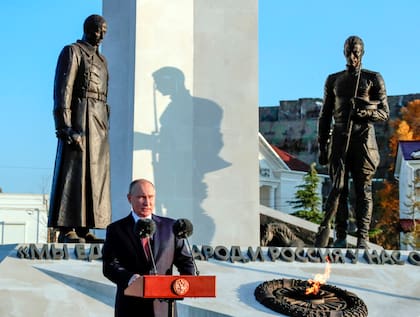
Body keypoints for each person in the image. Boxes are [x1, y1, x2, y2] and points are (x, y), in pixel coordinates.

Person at [315, 36, 389, 249]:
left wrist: (363, 112)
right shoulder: (334, 80)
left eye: (356, 51)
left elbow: (384, 113)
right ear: (344, 52)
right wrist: (322, 145)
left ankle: (363, 238)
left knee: (363, 189)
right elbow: (325, 114)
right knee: (338, 189)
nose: (352, 56)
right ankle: (339, 236)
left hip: (364, 139)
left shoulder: (373, 78)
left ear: (362, 52)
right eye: (349, 51)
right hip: (339, 137)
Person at [48, 14, 111, 243]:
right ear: (87, 29)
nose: (101, 35)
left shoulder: (103, 60)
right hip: (79, 116)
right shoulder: (72, 51)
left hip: (99, 120)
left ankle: (85, 228)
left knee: (95, 175)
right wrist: (64, 126)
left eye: (104, 31)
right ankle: (67, 228)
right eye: (97, 30)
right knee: (74, 173)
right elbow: (63, 89)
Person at [102, 179, 195, 317]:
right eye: (141, 197)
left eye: (150, 197)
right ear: (129, 198)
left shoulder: (170, 227)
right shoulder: (116, 230)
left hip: (164, 309)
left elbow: (186, 261)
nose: (147, 202)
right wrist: (130, 278)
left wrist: (187, 283)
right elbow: (109, 266)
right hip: (130, 308)